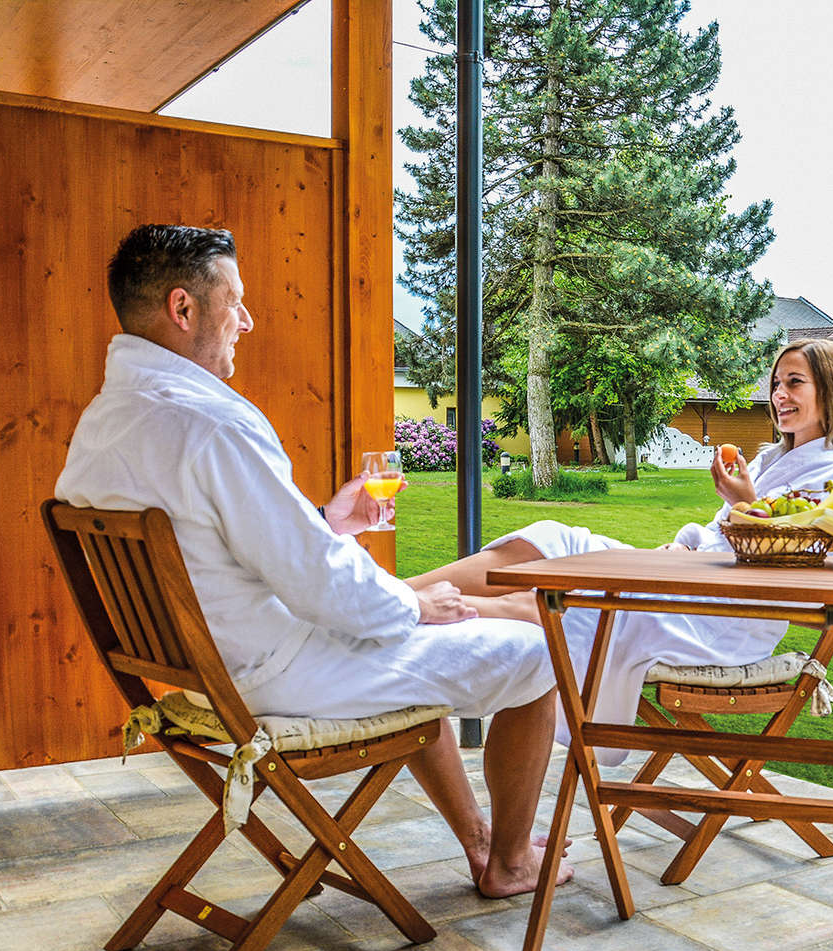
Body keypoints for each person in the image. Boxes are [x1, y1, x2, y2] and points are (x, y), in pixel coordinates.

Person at [55, 225, 569, 898]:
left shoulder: (103, 423)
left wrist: (327, 522)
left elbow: (217, 550)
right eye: (234, 301)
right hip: (272, 676)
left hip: (197, 673)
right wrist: (415, 604)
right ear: (184, 310)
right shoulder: (210, 425)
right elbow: (322, 587)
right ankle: (508, 862)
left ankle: (477, 837)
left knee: (401, 642)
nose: (247, 319)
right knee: (533, 652)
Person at [407, 338, 833, 759]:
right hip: (686, 579)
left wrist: (745, 505)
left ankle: (398, 613)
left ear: (831, 392)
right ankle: (396, 593)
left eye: (795, 383)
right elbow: (718, 534)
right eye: (777, 383)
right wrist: (684, 545)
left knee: (556, 602)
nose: (779, 395)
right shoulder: (771, 459)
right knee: (551, 538)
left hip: (722, 619)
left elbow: (805, 587)